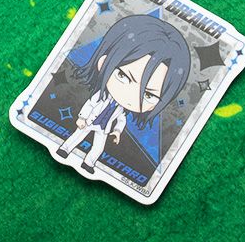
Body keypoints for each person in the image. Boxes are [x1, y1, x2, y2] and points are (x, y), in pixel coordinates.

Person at [56, 14, 191, 173]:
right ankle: (64, 149)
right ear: (103, 63)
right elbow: (90, 104)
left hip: (104, 128)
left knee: (98, 147)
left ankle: (89, 163)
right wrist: (81, 118)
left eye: (148, 95)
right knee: (77, 136)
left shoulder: (121, 110)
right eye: (123, 76)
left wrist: (117, 132)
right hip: (89, 121)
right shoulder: (101, 96)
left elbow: (121, 120)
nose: (131, 96)